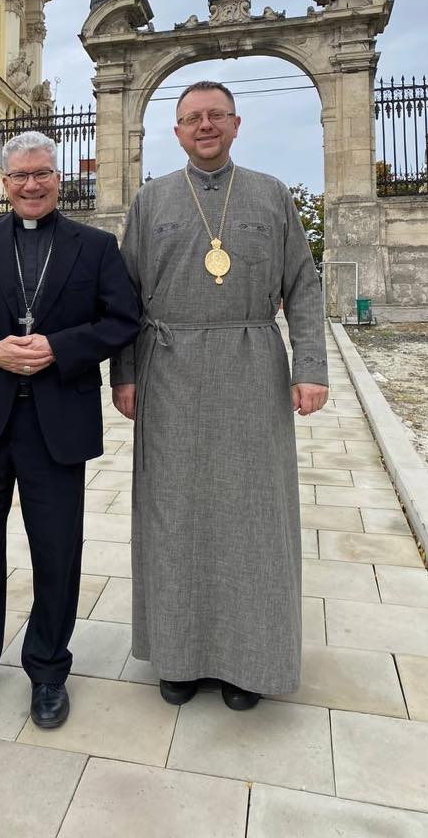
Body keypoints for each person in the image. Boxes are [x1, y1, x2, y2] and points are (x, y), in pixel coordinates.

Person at [111, 81, 328, 711]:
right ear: (175, 132)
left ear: (236, 125)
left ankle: (247, 660)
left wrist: (308, 367)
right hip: (168, 372)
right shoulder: (152, 201)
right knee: (172, 513)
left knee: (252, 517)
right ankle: (178, 656)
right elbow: (124, 298)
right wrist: (123, 373)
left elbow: (305, 289)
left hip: (252, 368)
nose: (204, 126)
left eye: (215, 116)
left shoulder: (271, 196)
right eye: (190, 119)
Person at [0, 131, 140, 729]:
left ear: (59, 178)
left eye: (42, 173)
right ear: (3, 183)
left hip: (58, 422)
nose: (32, 184)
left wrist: (60, 346)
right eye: (20, 176)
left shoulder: (96, 247)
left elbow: (123, 319)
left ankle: (48, 668)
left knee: (57, 551)